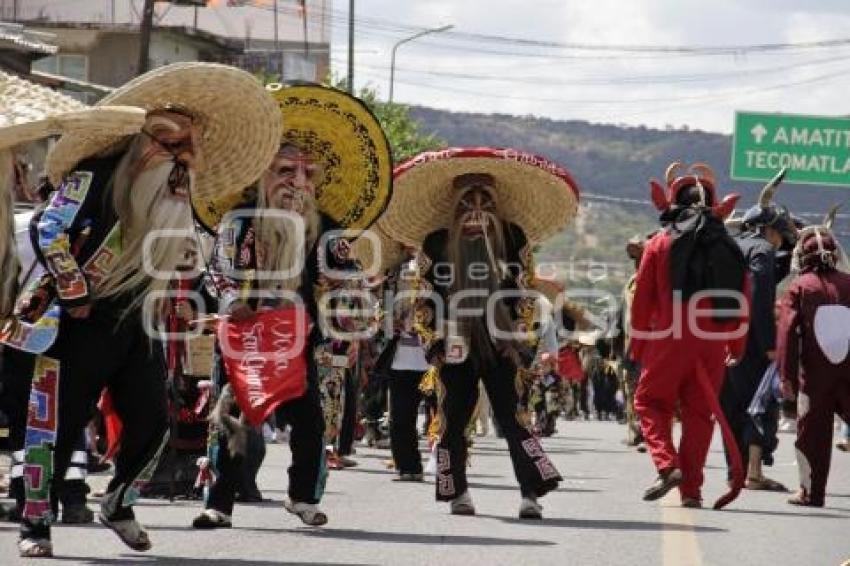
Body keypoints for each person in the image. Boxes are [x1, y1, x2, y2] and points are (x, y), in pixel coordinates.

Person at [2, 63, 280, 558]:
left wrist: (226, 299)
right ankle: (35, 524)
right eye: (164, 140)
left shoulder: (180, 191)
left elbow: (196, 254)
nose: (176, 154)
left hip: (141, 320)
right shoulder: (96, 177)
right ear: (139, 138)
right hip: (74, 320)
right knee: (57, 428)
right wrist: (74, 287)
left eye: (186, 145)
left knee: (154, 422)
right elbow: (49, 228)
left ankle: (119, 502)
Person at [191, 82, 392, 530]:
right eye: (285, 170)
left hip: (298, 339)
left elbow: (353, 281)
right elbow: (219, 270)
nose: (297, 183)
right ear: (263, 174)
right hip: (243, 337)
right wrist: (231, 301)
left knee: (310, 423)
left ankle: (302, 497)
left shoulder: (328, 229)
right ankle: (218, 503)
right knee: (230, 418)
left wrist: (343, 303)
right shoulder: (237, 223)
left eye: (306, 174)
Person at [381, 147, 579, 519]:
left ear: (496, 204)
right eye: (466, 200)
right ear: (453, 206)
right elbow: (423, 299)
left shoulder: (513, 237)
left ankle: (530, 494)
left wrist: (521, 341)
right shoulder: (436, 244)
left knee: (513, 416)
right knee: (453, 418)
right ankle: (457, 492)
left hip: (502, 340)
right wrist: (434, 342)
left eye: (484, 199)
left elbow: (525, 295)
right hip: (453, 339)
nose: (476, 207)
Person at [632, 162, 749, 509]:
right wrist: (735, 344)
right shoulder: (730, 245)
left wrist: (638, 344)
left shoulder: (658, 243)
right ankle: (692, 491)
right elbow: (742, 300)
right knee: (700, 414)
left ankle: (667, 466)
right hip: (712, 342)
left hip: (669, 337)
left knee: (650, 402)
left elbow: (643, 298)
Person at [722, 168, 798, 492]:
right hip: (751, 342)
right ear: (770, 230)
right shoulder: (763, 251)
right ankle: (753, 472)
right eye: (779, 236)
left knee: (730, 406)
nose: (780, 243)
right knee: (760, 402)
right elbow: (758, 294)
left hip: (719, 339)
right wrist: (768, 342)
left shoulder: (729, 246)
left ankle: (734, 471)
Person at [776, 207, 850, 507]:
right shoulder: (849, 283)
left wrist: (787, 377)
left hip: (815, 376)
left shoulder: (799, 287)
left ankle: (811, 492)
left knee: (811, 436)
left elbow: (787, 336)